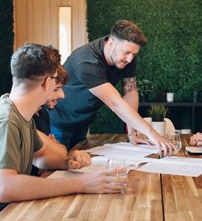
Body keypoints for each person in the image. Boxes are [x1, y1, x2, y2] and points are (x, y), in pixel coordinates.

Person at [0, 44, 127, 221]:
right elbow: (5, 187)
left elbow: (41, 155)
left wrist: (67, 162)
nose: (60, 93)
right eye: (56, 83)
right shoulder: (5, 120)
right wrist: (83, 184)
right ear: (46, 83)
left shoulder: (19, 112)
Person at [49, 19, 175, 155]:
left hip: (82, 122)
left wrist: (132, 134)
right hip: (59, 121)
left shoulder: (127, 58)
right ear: (111, 43)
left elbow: (130, 93)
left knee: (76, 165)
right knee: (57, 167)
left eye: (134, 54)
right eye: (127, 53)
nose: (130, 59)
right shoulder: (87, 62)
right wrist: (153, 134)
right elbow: (115, 103)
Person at [31, 65, 90, 176]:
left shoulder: (43, 113)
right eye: (56, 89)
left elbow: (60, 152)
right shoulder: (21, 119)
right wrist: (53, 147)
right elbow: (59, 152)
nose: (62, 95)